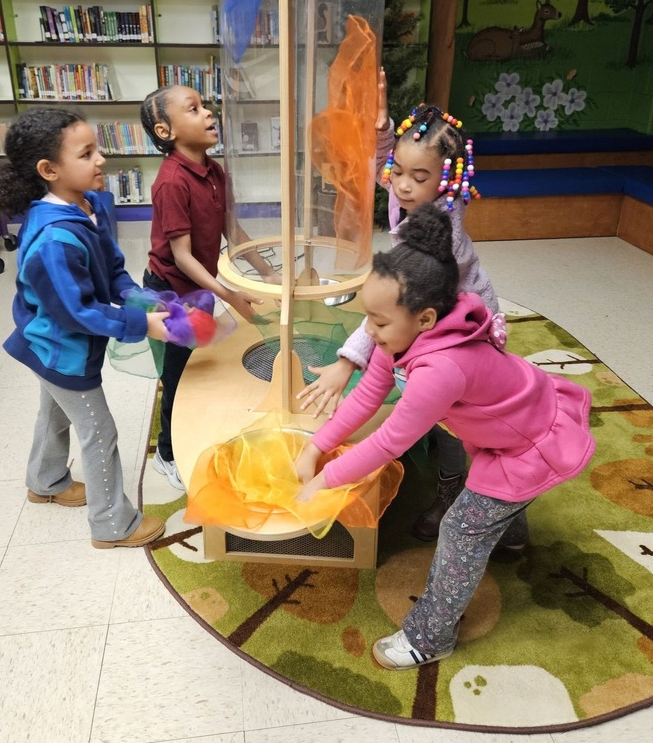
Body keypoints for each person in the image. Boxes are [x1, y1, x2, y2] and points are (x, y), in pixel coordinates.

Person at [295, 204, 594, 670]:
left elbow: (389, 442)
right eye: (367, 319)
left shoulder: (440, 370)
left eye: (379, 322)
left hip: (531, 441)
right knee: (493, 503)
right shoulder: (399, 334)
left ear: (426, 319)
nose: (369, 333)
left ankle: (430, 637)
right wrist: (317, 444)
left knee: (461, 529)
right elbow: (368, 394)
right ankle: (511, 537)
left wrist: (325, 478)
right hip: (511, 425)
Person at [298, 93, 505, 541]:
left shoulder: (442, 235)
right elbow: (384, 167)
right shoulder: (405, 189)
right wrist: (381, 128)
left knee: (456, 416)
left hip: (460, 325)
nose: (402, 185)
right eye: (399, 172)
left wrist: (347, 360)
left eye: (420, 176)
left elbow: (390, 308)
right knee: (403, 386)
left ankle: (453, 487)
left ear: (447, 181)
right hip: (424, 311)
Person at [0, 107, 168, 549]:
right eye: (87, 153)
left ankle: (44, 482)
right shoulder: (53, 239)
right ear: (49, 170)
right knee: (98, 430)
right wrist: (141, 324)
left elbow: (112, 270)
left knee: (55, 414)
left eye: (97, 148)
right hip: (59, 350)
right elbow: (77, 312)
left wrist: (141, 299)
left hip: (54, 347)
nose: (101, 160)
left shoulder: (88, 205)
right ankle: (111, 524)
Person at [140, 84, 280, 490]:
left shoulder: (216, 171)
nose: (208, 113)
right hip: (171, 292)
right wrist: (230, 294)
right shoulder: (170, 183)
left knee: (197, 368)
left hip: (198, 288)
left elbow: (231, 229)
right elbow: (182, 257)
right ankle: (167, 454)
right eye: (194, 109)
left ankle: (187, 435)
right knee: (180, 376)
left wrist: (266, 271)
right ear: (166, 131)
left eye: (206, 105)